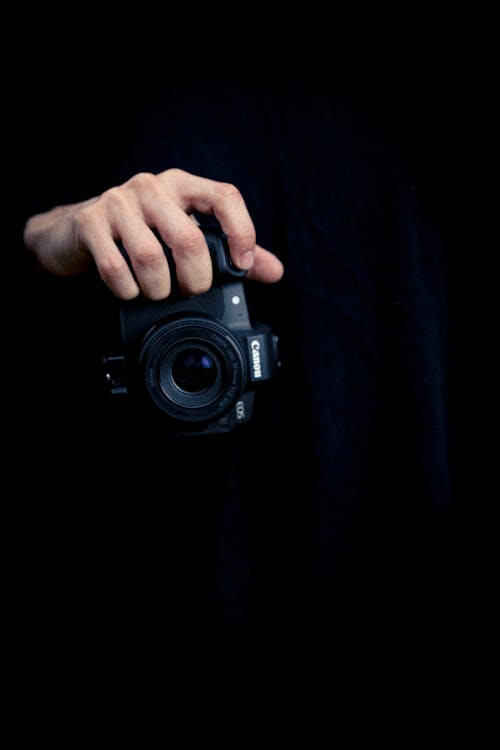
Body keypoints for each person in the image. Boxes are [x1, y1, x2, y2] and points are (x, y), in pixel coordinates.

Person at [17, 68, 459, 643]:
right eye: (196, 366)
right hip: (144, 560)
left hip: (398, 524)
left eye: (198, 364)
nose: (199, 364)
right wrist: (55, 234)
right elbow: (23, 224)